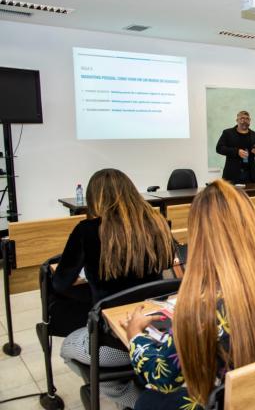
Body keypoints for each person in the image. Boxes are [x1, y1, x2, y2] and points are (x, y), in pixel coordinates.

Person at [123, 180, 255, 409]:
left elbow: (164, 377)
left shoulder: (203, 307)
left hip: (231, 400)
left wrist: (135, 336)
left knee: (147, 400)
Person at [56, 168, 174, 408]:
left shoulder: (86, 230)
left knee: (67, 347)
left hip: (113, 345)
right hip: (155, 331)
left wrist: (93, 294)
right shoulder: (157, 222)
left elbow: (60, 284)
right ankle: (139, 379)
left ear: (94, 198)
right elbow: (166, 264)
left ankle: (133, 400)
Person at [216, 110, 255, 184]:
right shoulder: (228, 133)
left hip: (250, 176)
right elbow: (219, 148)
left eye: (247, 119)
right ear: (237, 120)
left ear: (250, 121)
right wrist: (237, 151)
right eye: (242, 118)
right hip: (232, 176)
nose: (244, 121)